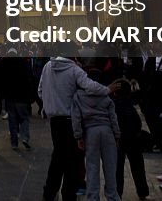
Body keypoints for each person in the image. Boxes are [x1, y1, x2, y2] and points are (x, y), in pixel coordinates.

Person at [39, 54, 114, 201]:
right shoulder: (74, 70)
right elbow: (90, 86)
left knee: (58, 156)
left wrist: (50, 103)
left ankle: (49, 192)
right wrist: (108, 89)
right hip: (70, 120)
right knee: (71, 160)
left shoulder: (47, 67)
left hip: (54, 121)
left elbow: (40, 90)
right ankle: (68, 194)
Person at [72, 70, 121, 201]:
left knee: (92, 167)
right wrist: (117, 136)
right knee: (110, 167)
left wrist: (78, 136)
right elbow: (113, 117)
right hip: (107, 131)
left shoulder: (78, 96)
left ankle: (93, 197)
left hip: (90, 132)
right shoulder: (105, 96)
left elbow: (76, 118)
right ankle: (112, 197)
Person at [111, 79, 149, 200]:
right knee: (138, 167)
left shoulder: (113, 105)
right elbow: (138, 123)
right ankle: (142, 192)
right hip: (133, 139)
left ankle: (118, 193)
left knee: (117, 168)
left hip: (119, 140)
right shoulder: (131, 106)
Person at [0, 48, 36, 150]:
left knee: (12, 120)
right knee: (24, 118)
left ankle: (14, 143)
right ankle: (25, 137)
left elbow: (1, 80)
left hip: (10, 97)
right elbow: (30, 79)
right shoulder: (23, 64)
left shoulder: (4, 64)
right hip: (22, 96)